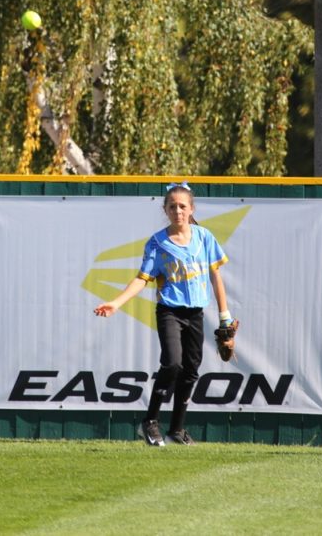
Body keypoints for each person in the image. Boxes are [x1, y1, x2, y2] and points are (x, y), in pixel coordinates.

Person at [94, 182, 231, 447]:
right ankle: (150, 421)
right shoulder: (158, 243)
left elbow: (216, 277)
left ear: (191, 209)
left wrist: (225, 316)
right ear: (165, 210)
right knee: (173, 364)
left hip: (195, 313)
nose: (178, 210)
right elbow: (142, 279)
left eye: (182, 206)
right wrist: (117, 302)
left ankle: (177, 429)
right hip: (169, 310)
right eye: (172, 206)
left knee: (191, 370)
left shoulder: (204, 237)